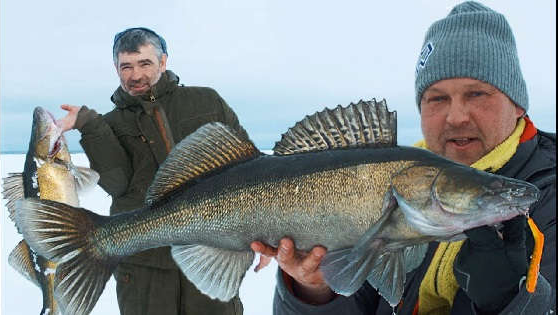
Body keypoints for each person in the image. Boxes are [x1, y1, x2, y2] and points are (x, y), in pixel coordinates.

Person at [252, 2, 556, 314]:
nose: (456, 117)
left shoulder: (545, 194)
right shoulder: (394, 187)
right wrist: (314, 291)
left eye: (476, 94)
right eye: (437, 98)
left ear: (518, 104)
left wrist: (513, 301)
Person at [59, 27, 246, 315]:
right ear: (116, 68)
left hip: (211, 256)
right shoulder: (109, 124)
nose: (135, 75)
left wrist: (256, 234)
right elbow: (117, 183)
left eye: (145, 63)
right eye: (126, 66)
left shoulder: (206, 102)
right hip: (144, 266)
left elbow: (244, 169)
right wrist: (89, 125)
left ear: (163, 62)